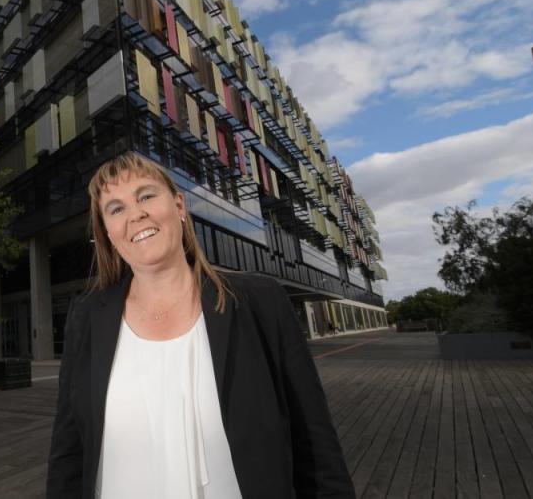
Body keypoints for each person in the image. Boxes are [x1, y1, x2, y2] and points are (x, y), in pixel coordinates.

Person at [47, 152, 354, 498]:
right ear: (107, 232)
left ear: (179, 205)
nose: (136, 214)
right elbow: (68, 452)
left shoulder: (259, 301)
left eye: (146, 195)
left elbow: (315, 444)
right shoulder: (86, 317)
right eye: (116, 208)